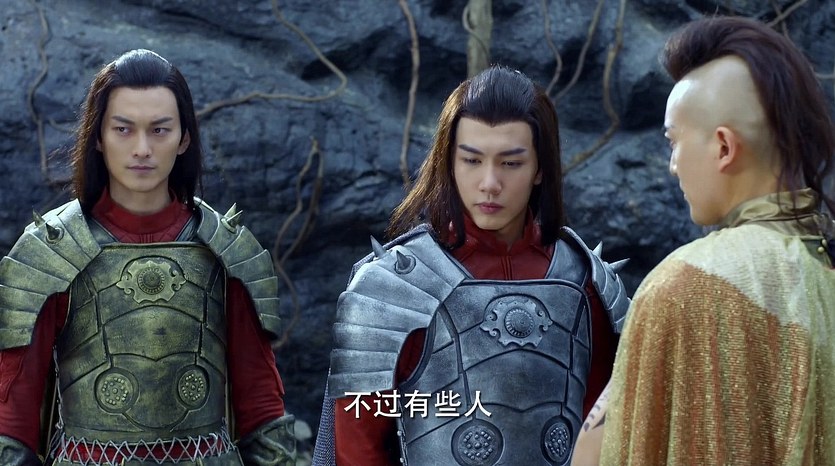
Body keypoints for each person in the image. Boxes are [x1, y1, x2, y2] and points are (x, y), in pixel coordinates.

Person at [312, 65, 630, 465]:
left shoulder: (587, 283)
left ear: (540, 169)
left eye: (511, 163)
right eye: (472, 160)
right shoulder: (394, 288)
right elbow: (358, 450)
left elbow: (608, 437)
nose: (489, 183)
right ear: (450, 162)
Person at [0, 49, 296, 465]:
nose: (142, 149)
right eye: (123, 129)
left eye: (159, 130)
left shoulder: (227, 250)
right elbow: (11, 416)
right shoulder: (50, 251)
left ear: (184, 138)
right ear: (98, 137)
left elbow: (262, 405)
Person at [573, 16, 835, 465]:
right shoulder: (824, 281)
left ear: (724, 147)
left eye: (674, 141)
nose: (673, 165)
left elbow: (593, 454)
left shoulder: (685, 284)